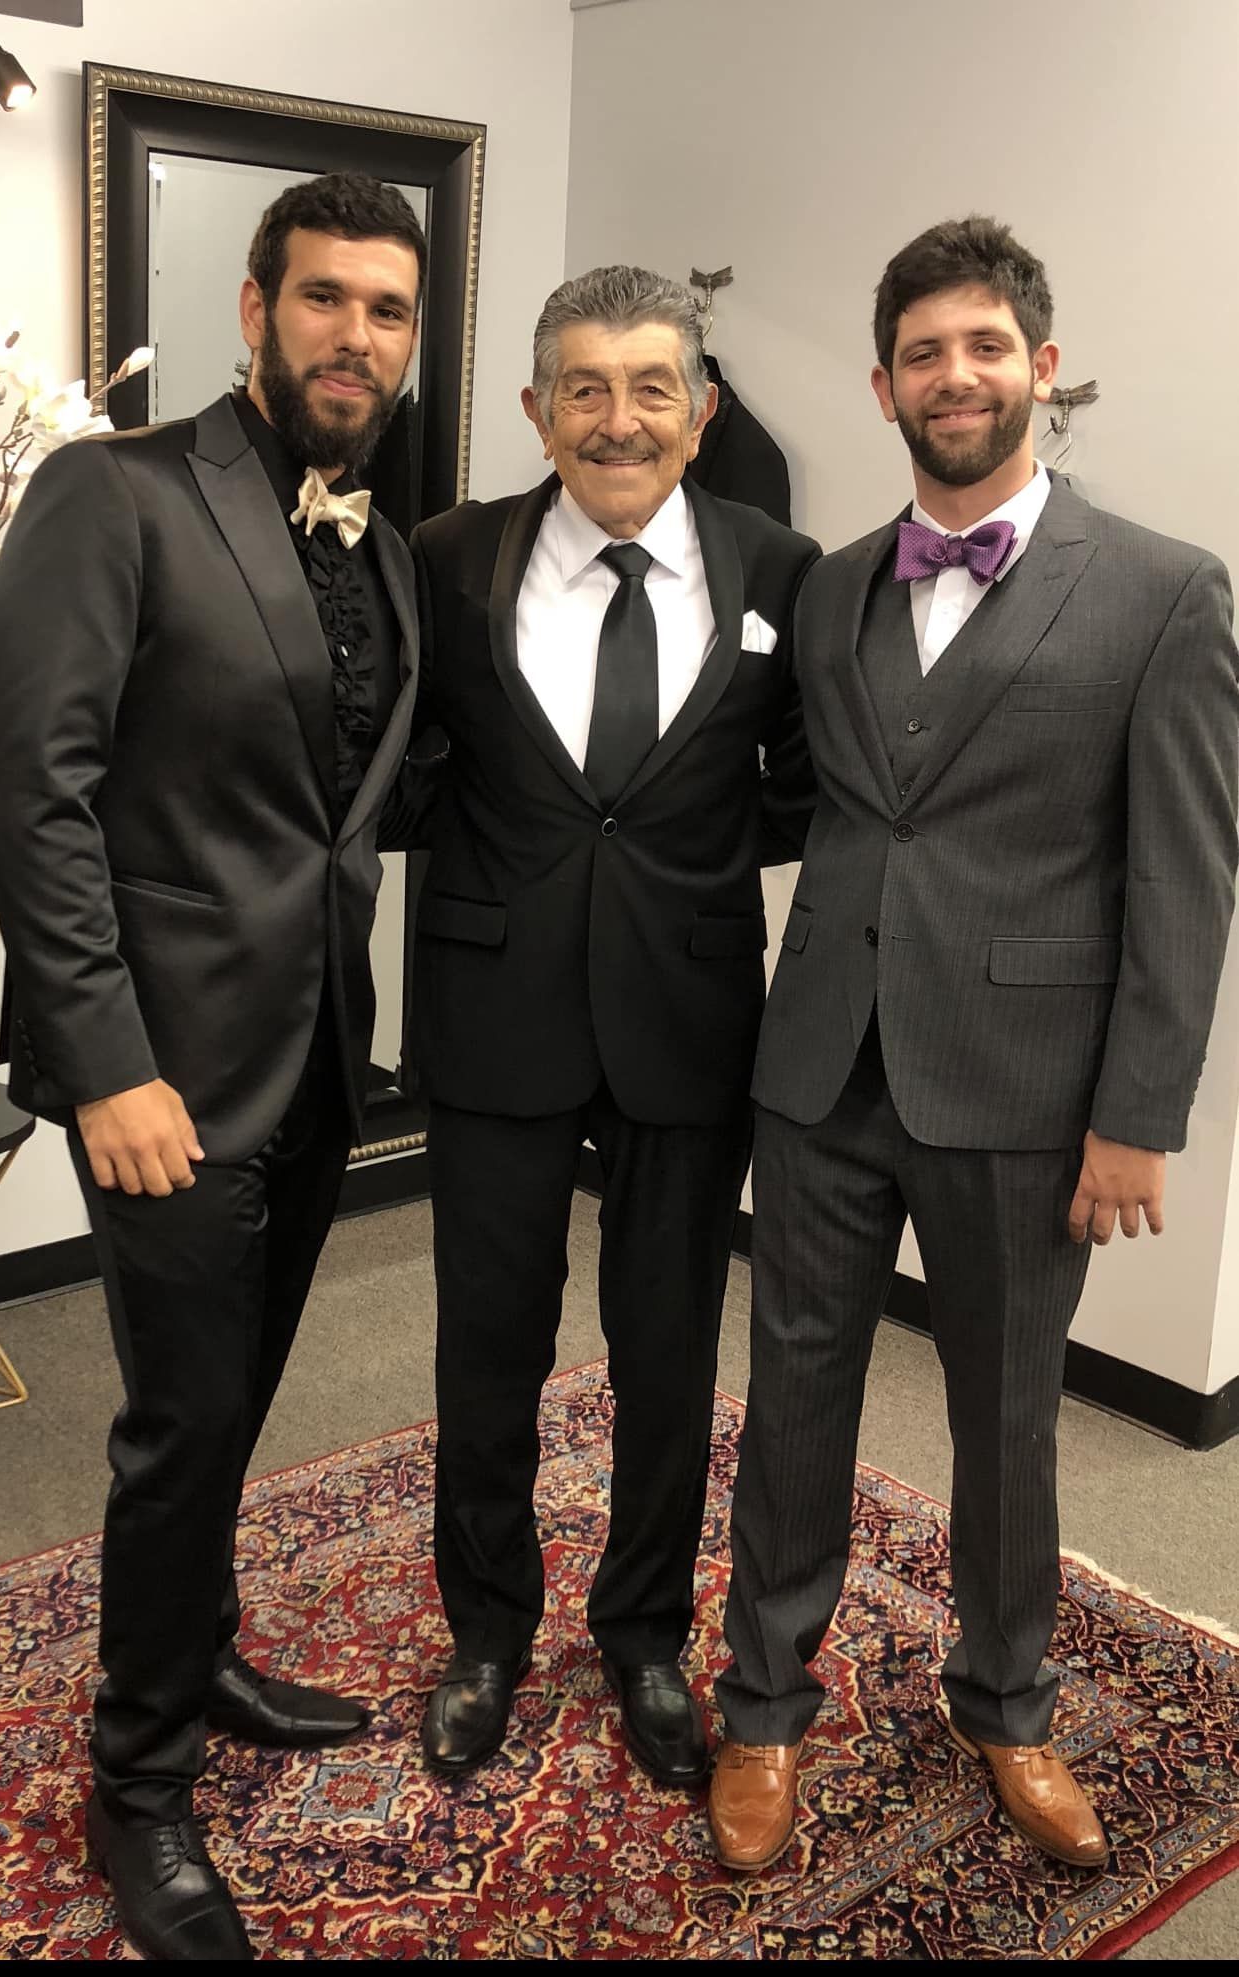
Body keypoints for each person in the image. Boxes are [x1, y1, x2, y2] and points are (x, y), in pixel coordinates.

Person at [708, 215, 1239, 1874]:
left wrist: (1137, 1112)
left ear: (1040, 366)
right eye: (923, 352)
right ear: (882, 384)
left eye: (985, 346)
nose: (956, 375)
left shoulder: (1161, 589)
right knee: (789, 1398)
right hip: (818, 1066)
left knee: (1006, 1414)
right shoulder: (829, 581)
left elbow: (1183, 869)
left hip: (1023, 1092)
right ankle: (762, 1706)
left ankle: (1006, 1702)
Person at [0, 172, 430, 1961]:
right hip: (160, 1075)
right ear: (253, 307)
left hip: (318, 1053)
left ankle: (202, 1644)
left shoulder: (384, 549)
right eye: (322, 297)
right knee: (178, 1425)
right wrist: (102, 1062)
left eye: (386, 309)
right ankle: (140, 1779)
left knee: (237, 1397)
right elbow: (39, 793)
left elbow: (344, 816)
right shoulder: (111, 491)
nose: (355, 335)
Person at [408, 266, 820, 1790]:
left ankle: (642, 1630)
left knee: (665, 1353)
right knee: (485, 1349)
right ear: (534, 408)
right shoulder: (444, 558)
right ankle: (487, 1633)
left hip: (689, 1018)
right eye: (582, 386)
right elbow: (403, 755)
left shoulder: (783, 567)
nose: (618, 416)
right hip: (492, 1008)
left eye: (652, 385)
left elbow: (803, 775)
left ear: (700, 408)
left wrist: (686, 877)